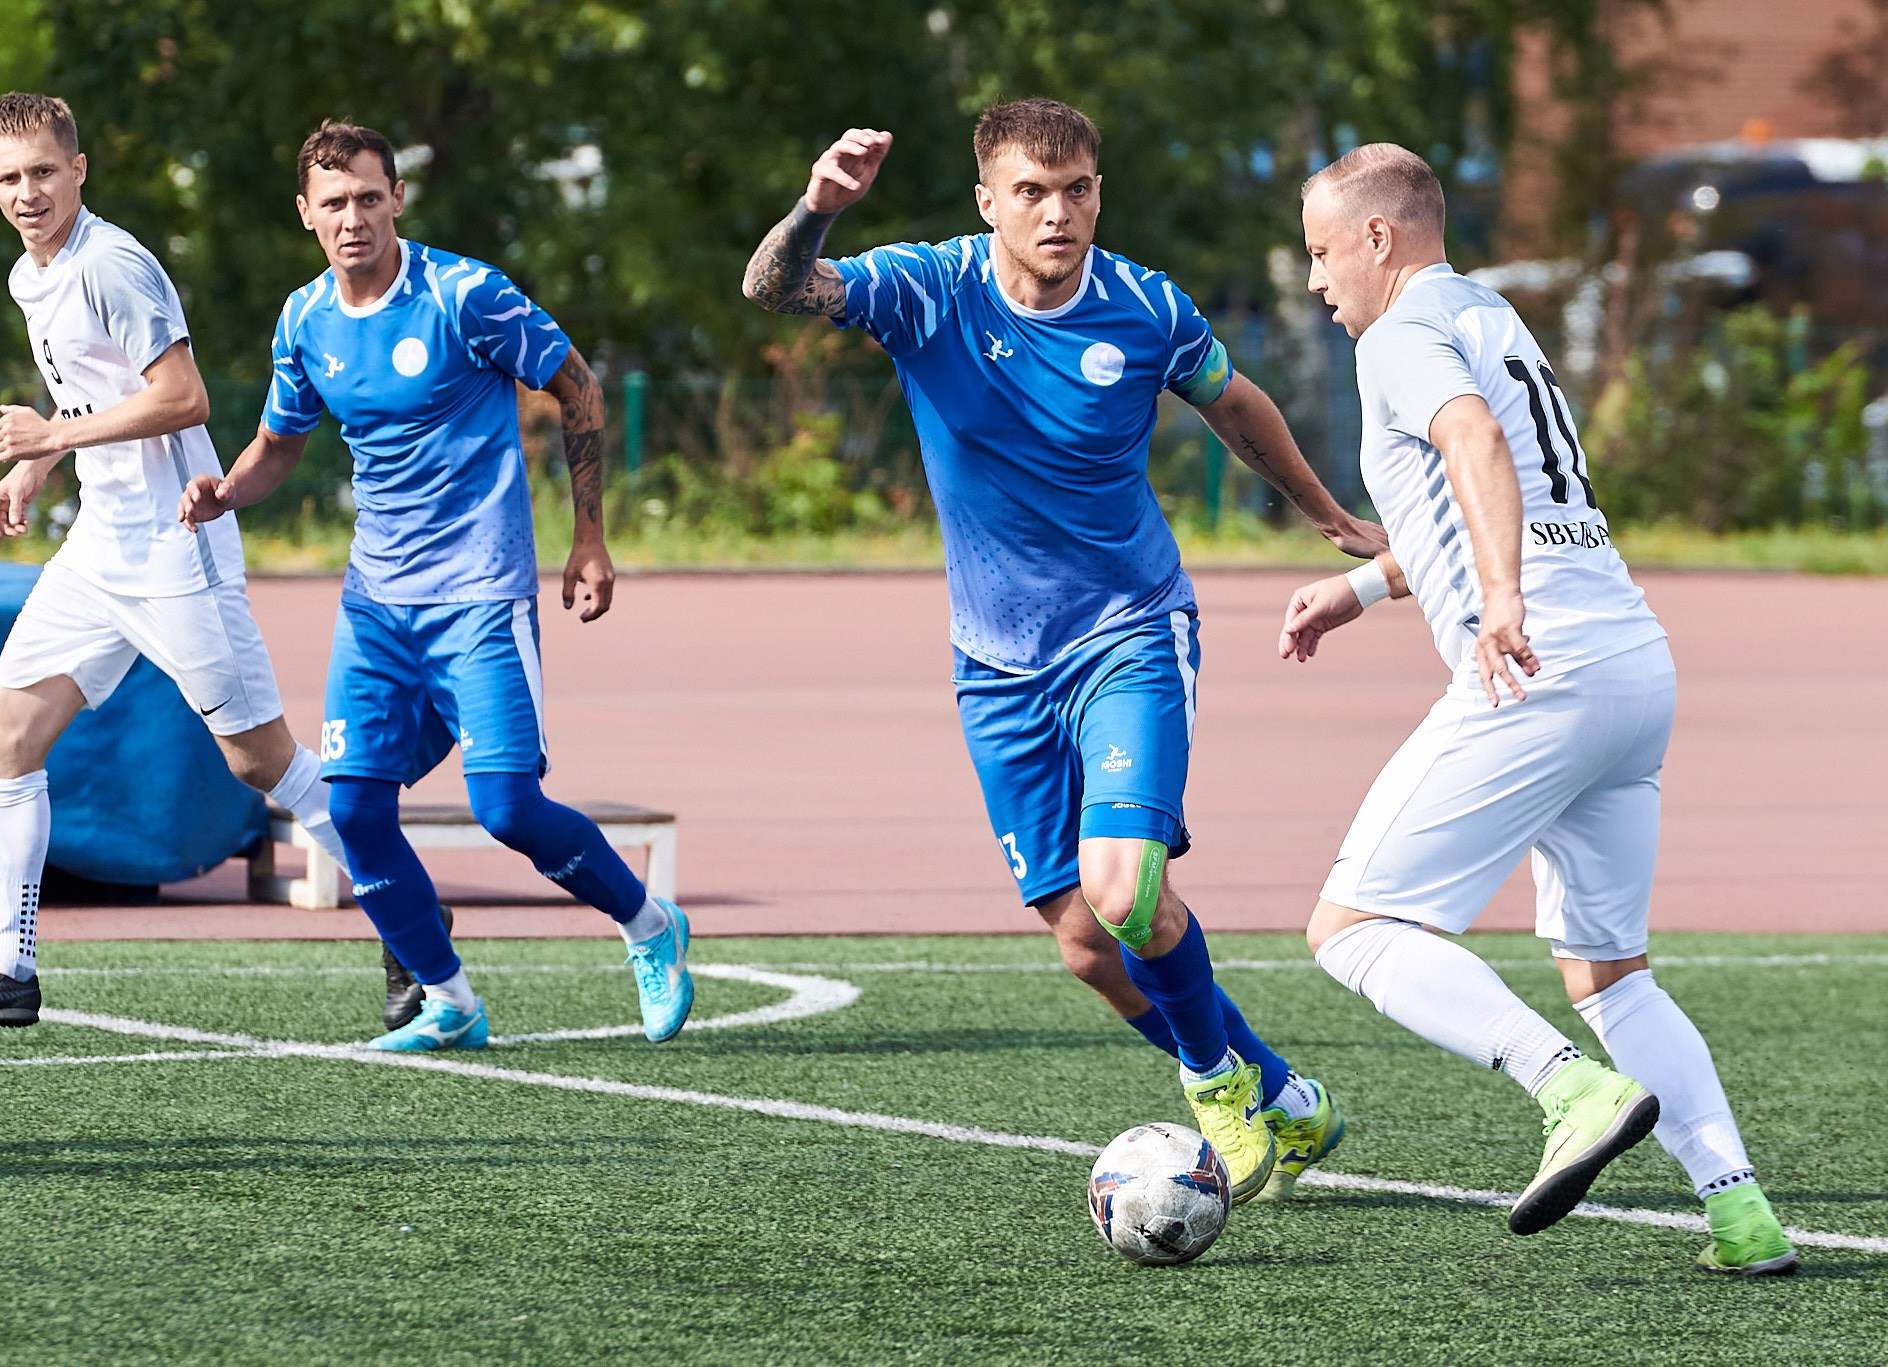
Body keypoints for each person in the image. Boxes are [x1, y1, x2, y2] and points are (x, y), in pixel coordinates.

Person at [743, 99, 1387, 1203]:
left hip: (1127, 629)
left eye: (1077, 188)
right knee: (1090, 946)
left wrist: (1327, 514)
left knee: (1128, 892)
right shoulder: (927, 287)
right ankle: (1280, 1090)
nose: (1058, 212)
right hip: (993, 662)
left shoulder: (1144, 306)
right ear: (986, 201)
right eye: (1031, 193)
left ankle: (1215, 1086)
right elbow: (774, 289)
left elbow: (1235, 406)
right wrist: (817, 207)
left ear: (1097, 192)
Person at [1283, 142, 1796, 1272]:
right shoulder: (1490, 316)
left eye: (1321, 251)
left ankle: (1564, 1086)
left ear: (1379, 237)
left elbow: (1468, 444)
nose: (1316, 280)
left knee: (1353, 929)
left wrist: (1502, 599)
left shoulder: (1401, 335)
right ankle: (1739, 1211)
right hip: (1629, 666)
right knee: (1609, 972)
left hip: (1538, 668)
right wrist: (1363, 586)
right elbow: (1500, 491)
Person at [180, 121, 691, 1053]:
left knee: (507, 809)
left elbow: (576, 385)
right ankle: (449, 997)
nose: (352, 217)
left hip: (483, 599)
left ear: (397, 200)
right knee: (354, 811)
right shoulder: (304, 320)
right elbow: (279, 447)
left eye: (369, 197)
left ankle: (650, 925)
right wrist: (225, 492)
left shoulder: (465, 294)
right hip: (377, 607)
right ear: (306, 214)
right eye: (333, 202)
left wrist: (587, 536)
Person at [0, 93, 350, 1030]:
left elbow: (182, 399)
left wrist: (49, 432)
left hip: (176, 545)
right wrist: (40, 462)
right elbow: (95, 389)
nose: (29, 193)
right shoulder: (35, 273)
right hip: (99, 545)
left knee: (259, 760)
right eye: (9, 178)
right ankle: (9, 968)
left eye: (44, 173)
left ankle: (410, 909)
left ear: (80, 169)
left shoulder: (111, 263)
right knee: (4, 739)